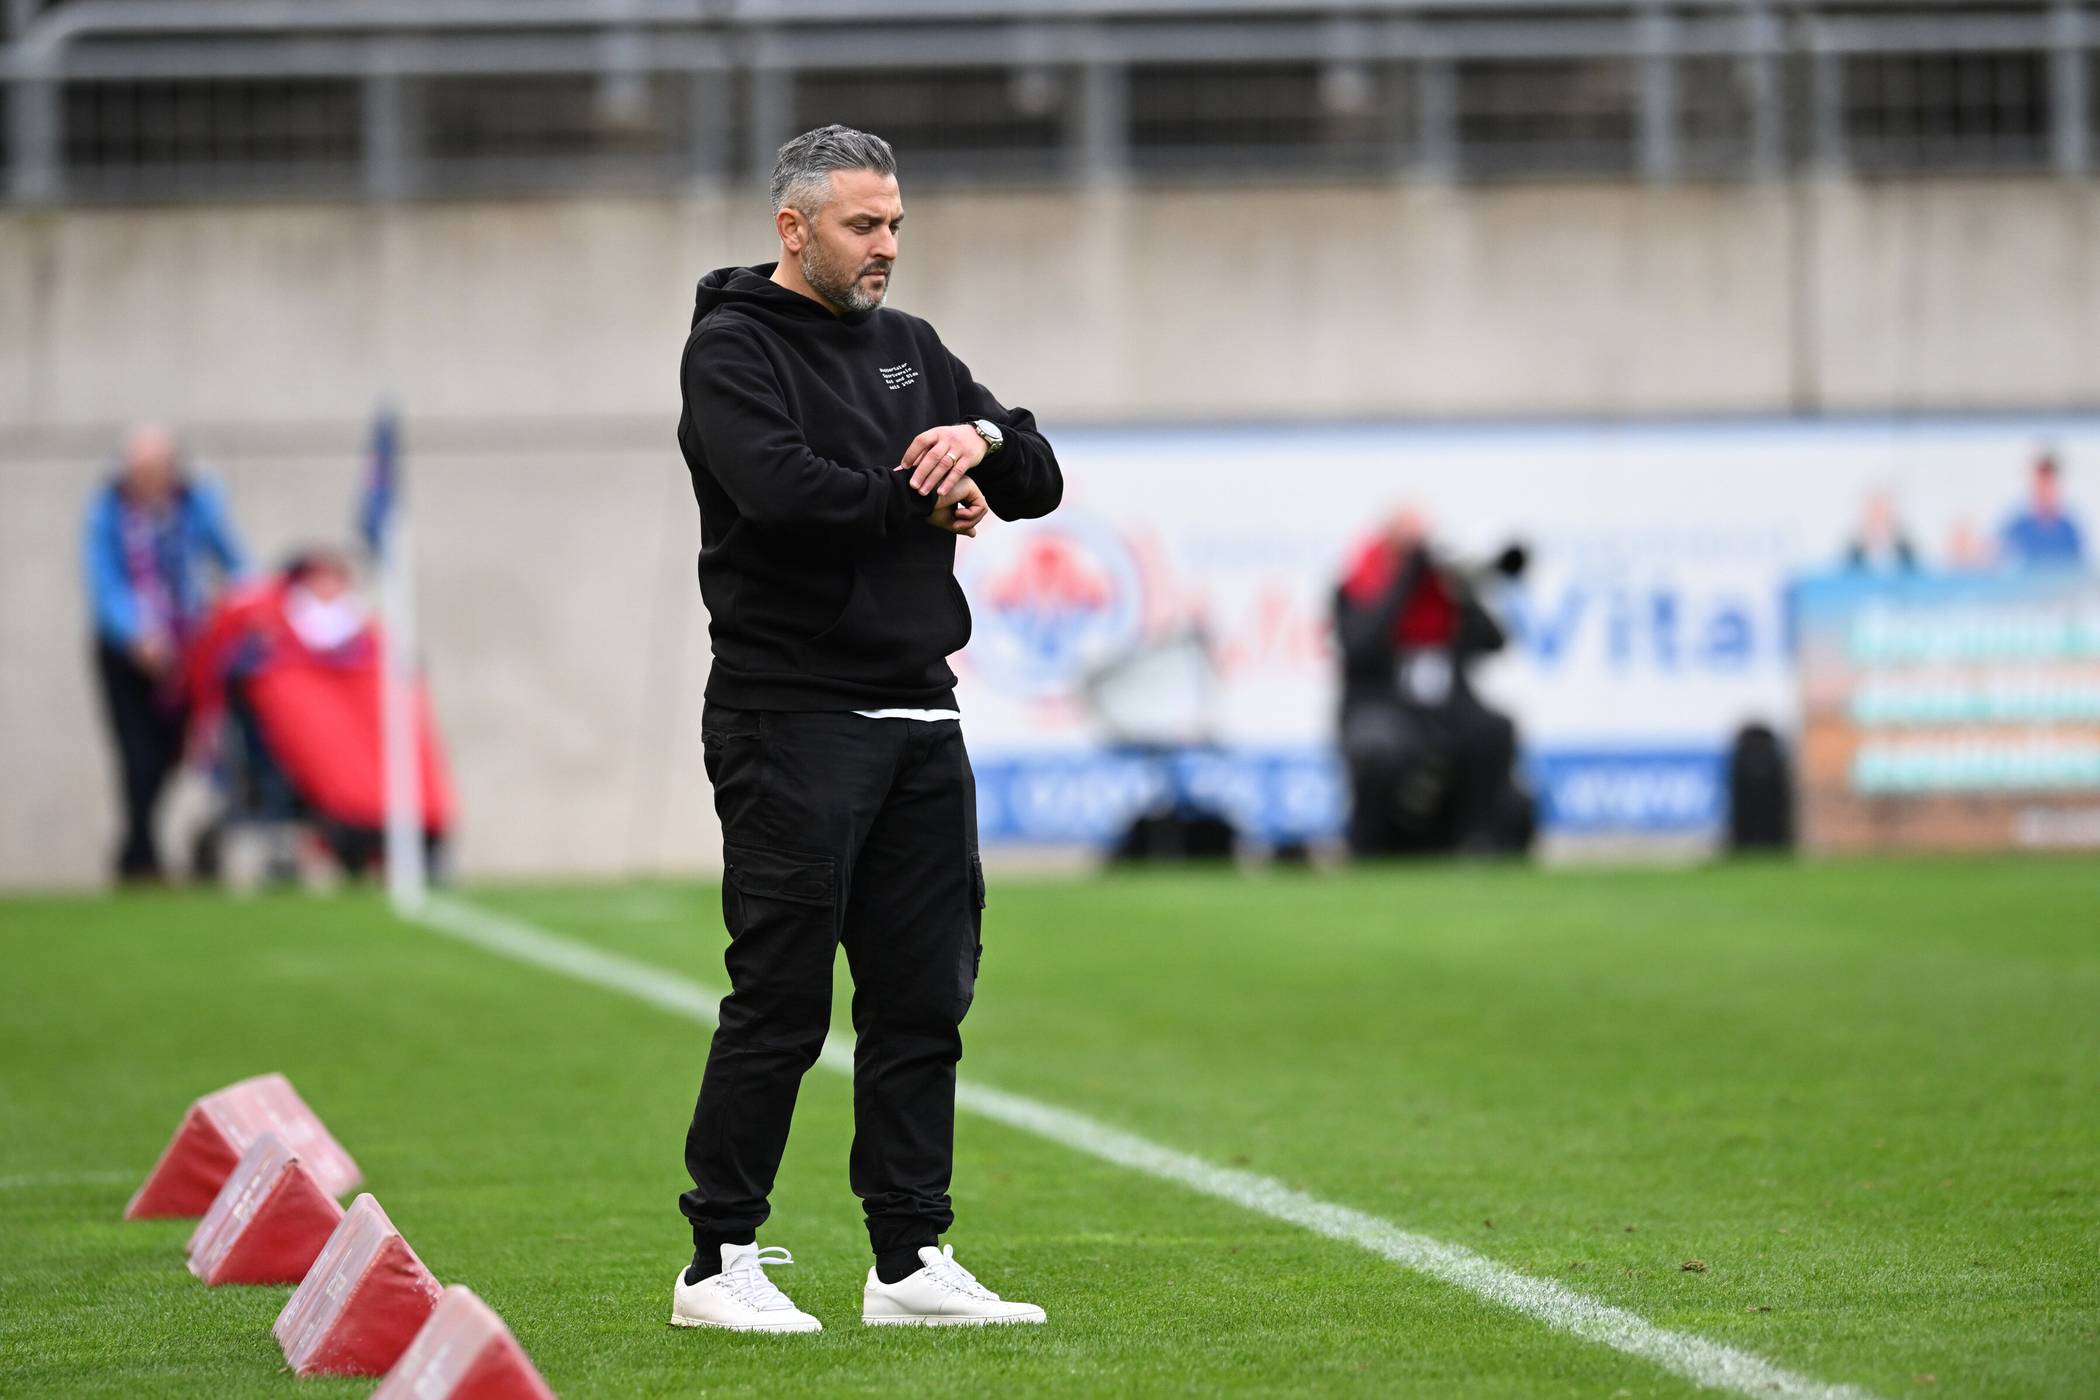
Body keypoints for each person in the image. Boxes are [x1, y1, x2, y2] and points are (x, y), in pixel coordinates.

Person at [670, 126, 1062, 1333]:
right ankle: (716, 1261)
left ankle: (908, 1258)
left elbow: (1036, 474)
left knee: (921, 1000)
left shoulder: (913, 348)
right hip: (789, 715)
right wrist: (920, 497)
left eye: (894, 223)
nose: (886, 245)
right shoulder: (731, 347)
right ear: (794, 229)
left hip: (919, 714)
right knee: (781, 998)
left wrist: (981, 440)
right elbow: (782, 492)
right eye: (863, 224)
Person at [82, 424, 247, 882]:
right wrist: (136, 633)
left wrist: (250, 603)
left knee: (172, 753)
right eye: (139, 469)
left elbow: (232, 559)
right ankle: (141, 856)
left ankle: (135, 848)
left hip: (186, 651)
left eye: (156, 469)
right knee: (136, 754)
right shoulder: (108, 511)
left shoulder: (197, 503)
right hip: (127, 654)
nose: (147, 478)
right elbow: (104, 581)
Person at [1333, 508, 1531, 857]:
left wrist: (1463, 590)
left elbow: (1495, 641)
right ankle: (1368, 844)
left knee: (1494, 730)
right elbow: (1360, 646)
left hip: (1444, 707)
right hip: (1381, 704)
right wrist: (1406, 579)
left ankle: (1476, 838)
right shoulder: (1357, 586)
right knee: (1380, 748)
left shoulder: (1445, 593)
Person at [1998, 452, 2086, 569]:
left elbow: (2078, 569)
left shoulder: (2069, 531)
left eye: (2048, 485)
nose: (2044, 491)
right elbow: (1999, 560)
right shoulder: (2017, 528)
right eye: (2039, 485)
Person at [1842, 490, 1919, 574]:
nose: (1878, 525)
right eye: (1873, 517)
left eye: (1885, 517)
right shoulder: (1846, 568)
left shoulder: (1913, 567)